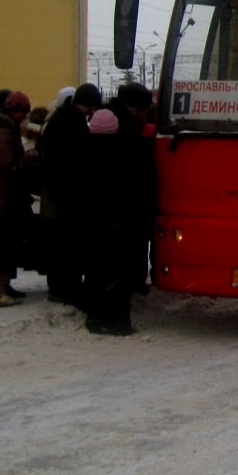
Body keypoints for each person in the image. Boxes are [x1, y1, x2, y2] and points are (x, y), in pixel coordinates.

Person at [39, 83, 102, 304]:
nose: (92, 113)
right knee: (67, 243)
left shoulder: (60, 118)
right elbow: (75, 159)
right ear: (83, 104)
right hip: (67, 191)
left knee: (61, 242)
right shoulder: (70, 123)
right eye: (91, 108)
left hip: (60, 188)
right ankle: (67, 288)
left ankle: (60, 286)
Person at [81, 108, 136, 335]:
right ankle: (118, 321)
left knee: (95, 271)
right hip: (118, 222)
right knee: (118, 273)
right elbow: (133, 188)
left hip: (92, 221)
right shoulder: (125, 151)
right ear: (115, 128)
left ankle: (94, 318)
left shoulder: (81, 150)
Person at [0, 91, 34, 307]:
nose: (24, 117)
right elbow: (8, 165)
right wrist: (25, 159)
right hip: (0, 197)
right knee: (2, 244)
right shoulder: (2, 131)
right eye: (23, 112)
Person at [107, 82, 157, 293]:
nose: (143, 114)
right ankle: (129, 283)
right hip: (126, 199)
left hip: (129, 198)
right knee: (130, 244)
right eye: (142, 109)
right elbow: (130, 160)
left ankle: (133, 281)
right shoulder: (119, 124)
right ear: (133, 106)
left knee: (135, 242)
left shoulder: (123, 119)